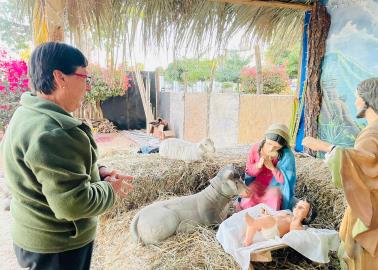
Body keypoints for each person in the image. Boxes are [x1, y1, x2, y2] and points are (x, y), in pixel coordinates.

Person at [0, 42, 133, 270]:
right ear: (60, 78)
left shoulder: (27, 114)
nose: (88, 87)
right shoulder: (54, 132)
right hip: (58, 249)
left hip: (33, 237)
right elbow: (73, 205)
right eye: (84, 78)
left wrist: (96, 171)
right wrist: (110, 190)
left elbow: (46, 170)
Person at [302, 78, 378, 270]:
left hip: (370, 210)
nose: (355, 102)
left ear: (368, 100)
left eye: (357, 97)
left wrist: (325, 147)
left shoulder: (371, 135)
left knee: (361, 257)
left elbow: (364, 165)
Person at [235, 124, 296, 211]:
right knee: (249, 197)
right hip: (258, 183)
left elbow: (287, 181)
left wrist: (272, 168)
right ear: (265, 138)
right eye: (269, 144)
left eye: (276, 147)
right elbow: (249, 171)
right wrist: (258, 166)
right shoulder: (256, 148)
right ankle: (248, 218)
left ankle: (268, 220)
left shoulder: (287, 156)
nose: (271, 148)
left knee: (274, 198)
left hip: (276, 187)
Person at [243, 199, 316, 246]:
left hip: (273, 231)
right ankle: (247, 241)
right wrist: (266, 214)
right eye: (297, 205)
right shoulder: (288, 214)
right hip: (270, 225)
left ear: (306, 217)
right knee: (266, 218)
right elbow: (275, 216)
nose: (297, 208)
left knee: (267, 219)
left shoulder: (296, 223)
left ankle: (254, 222)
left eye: (301, 207)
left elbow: (295, 235)